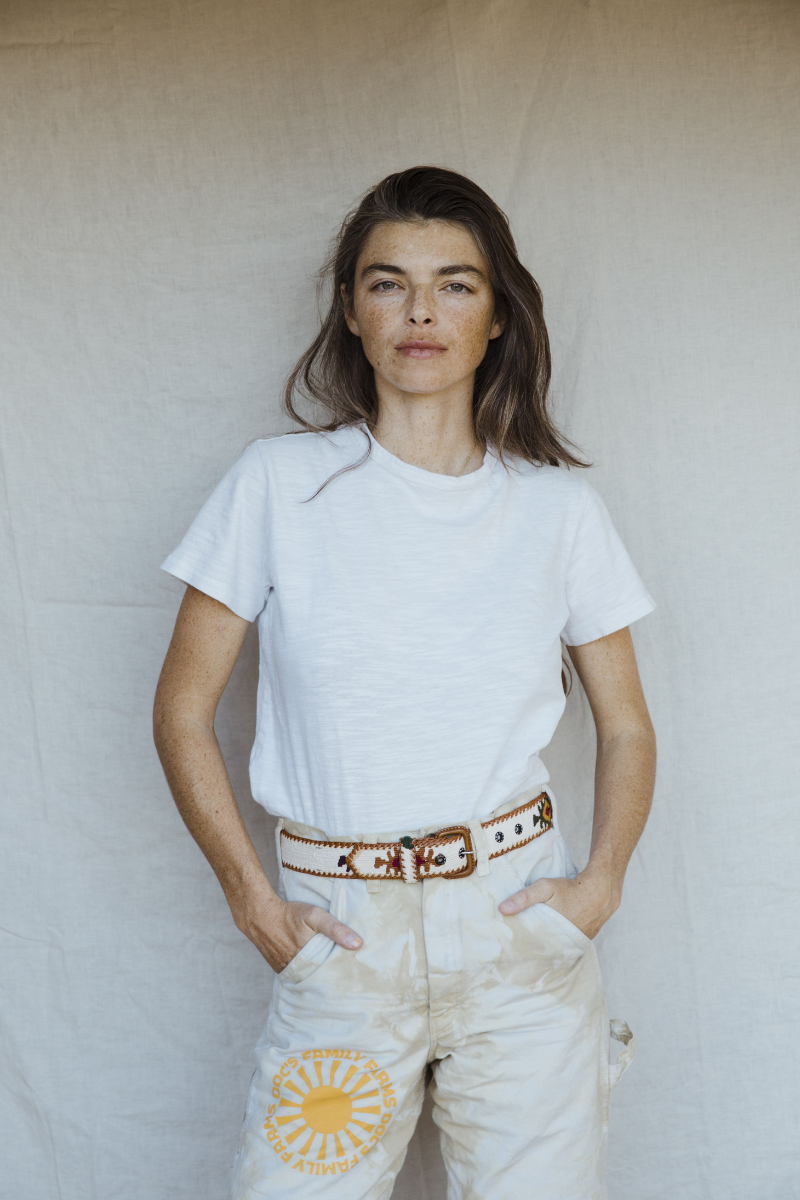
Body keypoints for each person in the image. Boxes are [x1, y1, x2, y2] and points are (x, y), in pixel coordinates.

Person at [153, 166, 656, 1199]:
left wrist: (596, 884)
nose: (419, 311)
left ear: (499, 316)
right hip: (343, 937)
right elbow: (180, 711)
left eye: (454, 284)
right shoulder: (277, 488)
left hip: (517, 934)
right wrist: (253, 902)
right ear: (350, 310)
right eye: (387, 283)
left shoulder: (555, 512)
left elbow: (625, 728)